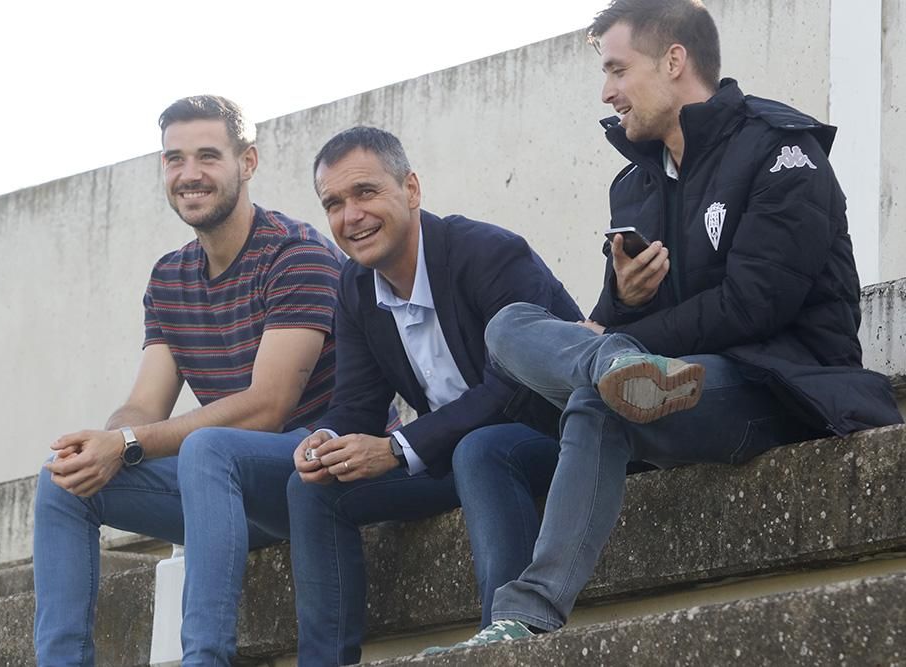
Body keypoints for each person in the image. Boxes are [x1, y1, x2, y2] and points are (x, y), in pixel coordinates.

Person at [427, 0, 903, 652]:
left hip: (778, 386)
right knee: (509, 325)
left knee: (607, 391)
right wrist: (621, 303)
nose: (607, 91)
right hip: (658, 385)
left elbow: (754, 306)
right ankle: (611, 376)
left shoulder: (781, 151)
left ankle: (529, 612)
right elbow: (607, 322)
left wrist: (627, 342)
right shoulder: (635, 183)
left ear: (674, 61)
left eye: (617, 69)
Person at [32, 95, 344, 666]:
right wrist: (105, 443)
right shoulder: (170, 276)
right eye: (175, 159)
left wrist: (129, 443)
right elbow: (142, 406)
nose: (190, 174)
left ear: (247, 163)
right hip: (220, 494)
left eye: (208, 156)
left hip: (316, 475)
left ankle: (205, 658)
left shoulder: (296, 255)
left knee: (208, 448)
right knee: (62, 480)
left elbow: (267, 408)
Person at [282, 126, 583, 666]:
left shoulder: (488, 253)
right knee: (315, 488)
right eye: (334, 203)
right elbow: (356, 403)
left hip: (555, 438)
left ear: (412, 190)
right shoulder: (354, 288)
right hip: (451, 453)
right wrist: (325, 439)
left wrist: (398, 447)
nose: (351, 216)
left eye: (366, 192)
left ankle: (504, 644)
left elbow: (514, 383)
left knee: (483, 449)